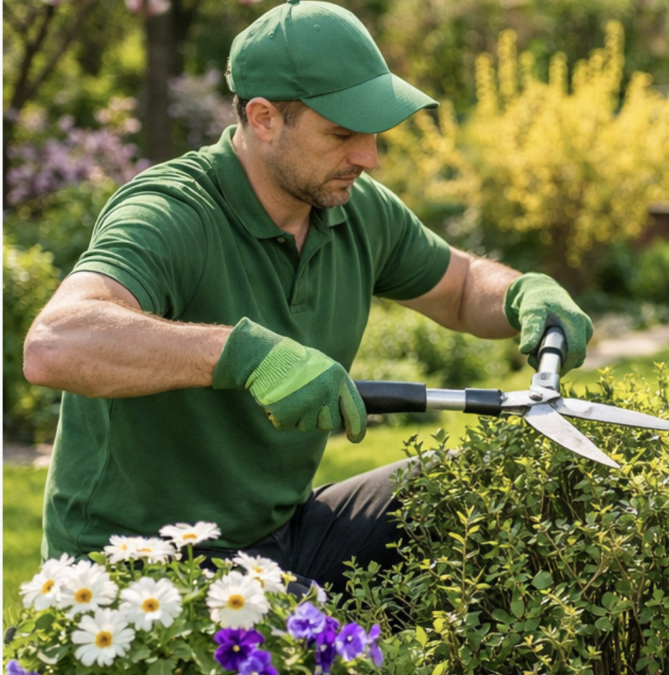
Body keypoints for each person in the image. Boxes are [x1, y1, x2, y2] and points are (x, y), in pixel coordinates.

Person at [22, 0, 592, 593]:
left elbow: (462, 287)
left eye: (372, 133)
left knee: (491, 488)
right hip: (145, 569)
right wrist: (242, 357)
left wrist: (523, 293)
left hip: (282, 536)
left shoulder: (352, 208)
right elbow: (56, 344)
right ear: (264, 118)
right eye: (342, 133)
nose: (368, 158)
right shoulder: (173, 212)